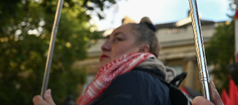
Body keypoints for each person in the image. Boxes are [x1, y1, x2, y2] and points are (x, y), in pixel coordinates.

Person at [34, 17, 178, 105]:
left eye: (118, 39)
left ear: (143, 50)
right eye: (107, 39)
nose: (104, 46)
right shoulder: (150, 83)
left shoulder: (134, 80)